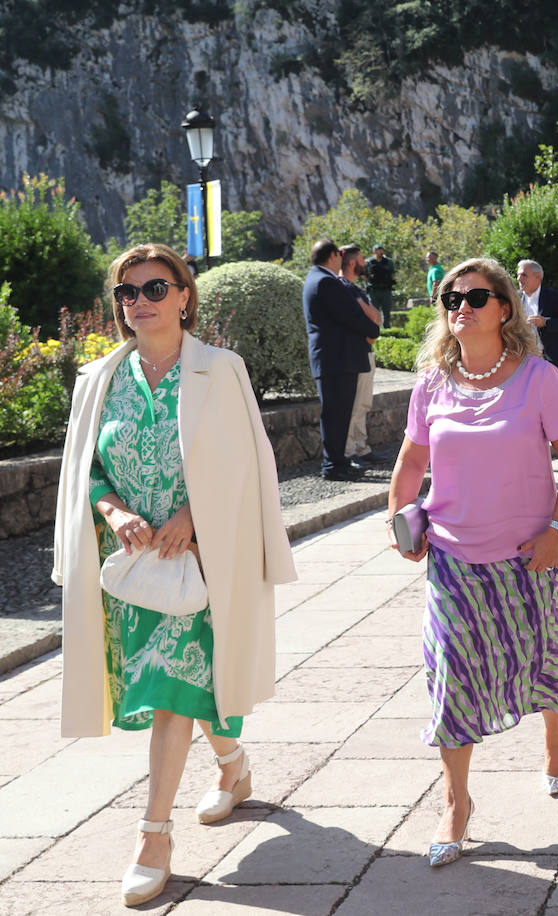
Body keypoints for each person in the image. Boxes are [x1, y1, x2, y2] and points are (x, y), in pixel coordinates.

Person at [51, 243, 295, 907]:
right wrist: (113, 509)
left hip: (202, 560)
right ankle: (233, 766)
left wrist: (194, 515)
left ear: (185, 296)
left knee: (169, 688)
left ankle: (152, 836)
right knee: (184, 685)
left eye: (155, 287)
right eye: (128, 292)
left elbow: (246, 466)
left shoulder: (223, 371)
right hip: (134, 571)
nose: (141, 302)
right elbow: (86, 472)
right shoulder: (99, 379)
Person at [388, 257, 558, 867]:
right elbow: (410, 465)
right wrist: (399, 518)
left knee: (535, 651)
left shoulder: (539, 378)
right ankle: (456, 801)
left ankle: (554, 726)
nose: (461, 308)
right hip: (450, 555)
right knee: (450, 673)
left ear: (505, 308)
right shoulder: (430, 385)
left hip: (528, 554)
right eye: (451, 298)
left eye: (476, 297)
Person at [303, 239, 380, 480]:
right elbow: (351, 315)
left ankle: (339, 462)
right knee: (336, 415)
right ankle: (333, 466)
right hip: (336, 359)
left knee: (339, 414)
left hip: (334, 359)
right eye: (339, 254)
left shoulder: (316, 279)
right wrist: (373, 330)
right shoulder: (326, 281)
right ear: (333, 256)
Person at [340, 243, 385, 466]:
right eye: (361, 259)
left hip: (366, 352)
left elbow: (376, 317)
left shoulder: (357, 289)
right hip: (353, 354)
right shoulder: (342, 287)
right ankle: (349, 451)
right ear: (351, 262)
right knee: (353, 404)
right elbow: (371, 318)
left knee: (363, 404)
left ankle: (361, 447)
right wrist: (372, 318)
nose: (365, 263)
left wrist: (372, 318)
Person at [516, 259, 558, 381]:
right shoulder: (515, 298)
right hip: (524, 359)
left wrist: (546, 322)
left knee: (554, 398)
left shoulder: (553, 296)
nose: (519, 279)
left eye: (524, 275)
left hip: (552, 360)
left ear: (537, 277)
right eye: (518, 275)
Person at [364, 244, 397, 327]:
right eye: (378, 249)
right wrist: (369, 280)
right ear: (374, 251)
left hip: (386, 290)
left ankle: (386, 331)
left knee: (386, 313)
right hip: (374, 290)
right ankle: (373, 330)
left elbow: (393, 274)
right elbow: (363, 274)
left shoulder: (389, 262)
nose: (380, 251)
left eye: (381, 249)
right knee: (373, 313)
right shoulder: (368, 262)